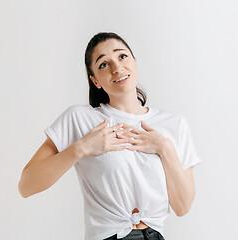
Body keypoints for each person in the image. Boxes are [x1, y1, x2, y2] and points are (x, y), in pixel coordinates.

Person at [18, 32, 202, 240]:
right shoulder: (81, 118)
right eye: (104, 64)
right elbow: (26, 185)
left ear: (134, 62)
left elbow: (182, 207)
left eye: (122, 56)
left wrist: (164, 148)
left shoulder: (174, 124)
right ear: (95, 80)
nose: (117, 68)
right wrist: (82, 148)